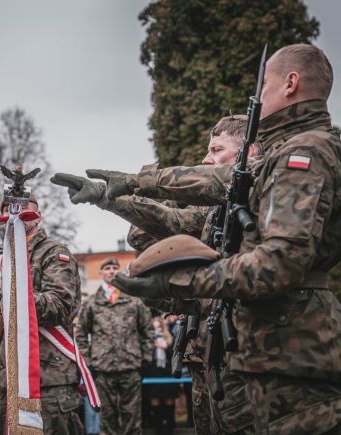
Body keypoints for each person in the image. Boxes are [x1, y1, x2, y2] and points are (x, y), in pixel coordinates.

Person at [92, 44, 341, 434]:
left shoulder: (305, 151)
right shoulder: (287, 153)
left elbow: (282, 261)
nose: (259, 96)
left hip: (292, 351)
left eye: (265, 84)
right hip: (270, 347)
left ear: (291, 83)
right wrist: (127, 189)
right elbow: (210, 184)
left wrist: (184, 281)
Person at [53, 114, 257, 435]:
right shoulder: (217, 209)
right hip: (209, 351)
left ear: (251, 151)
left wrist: (137, 182)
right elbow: (172, 221)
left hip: (248, 352)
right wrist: (109, 198)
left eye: (217, 149)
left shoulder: (263, 195)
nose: (207, 158)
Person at [0, 195, 85, 434]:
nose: (15, 213)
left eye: (23, 207)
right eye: (8, 208)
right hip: (6, 379)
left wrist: (14, 299)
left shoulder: (55, 253)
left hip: (48, 378)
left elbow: (60, 305)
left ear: (38, 215)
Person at [74, 257, 153, 435]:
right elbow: (80, 333)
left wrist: (146, 357)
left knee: (132, 418)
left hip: (130, 367)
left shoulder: (134, 301)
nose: (111, 271)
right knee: (107, 419)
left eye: (115, 268)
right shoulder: (92, 302)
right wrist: (88, 360)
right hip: (103, 368)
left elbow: (147, 330)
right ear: (101, 274)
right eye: (107, 268)